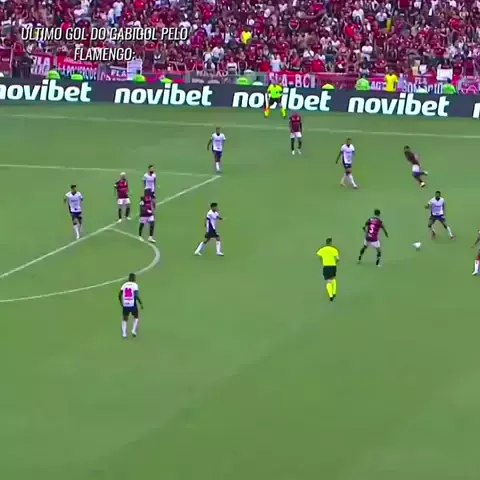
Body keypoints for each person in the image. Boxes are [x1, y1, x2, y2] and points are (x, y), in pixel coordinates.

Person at [119, 273, 143, 339]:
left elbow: (119, 295)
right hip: (132, 304)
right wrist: (140, 303)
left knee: (125, 318)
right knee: (136, 317)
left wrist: (121, 303)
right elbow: (136, 295)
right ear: (134, 279)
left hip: (125, 304)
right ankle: (133, 330)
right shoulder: (135, 285)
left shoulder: (124, 285)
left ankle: (124, 333)